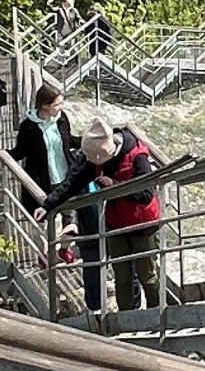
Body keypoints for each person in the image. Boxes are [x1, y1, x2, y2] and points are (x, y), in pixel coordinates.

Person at [52, 114, 163, 313]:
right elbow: (74, 181)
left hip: (143, 225)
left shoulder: (137, 156)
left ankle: (158, 316)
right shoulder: (98, 155)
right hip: (116, 224)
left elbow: (146, 194)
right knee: (122, 278)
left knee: (148, 276)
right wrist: (48, 204)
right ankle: (128, 319)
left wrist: (114, 186)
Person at [15, 81, 103, 312]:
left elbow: (68, 141)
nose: (61, 107)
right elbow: (21, 152)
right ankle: (50, 253)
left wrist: (88, 142)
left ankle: (59, 250)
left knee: (71, 221)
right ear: (44, 106)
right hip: (43, 181)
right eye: (57, 104)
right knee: (46, 220)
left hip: (67, 177)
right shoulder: (28, 127)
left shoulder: (61, 119)